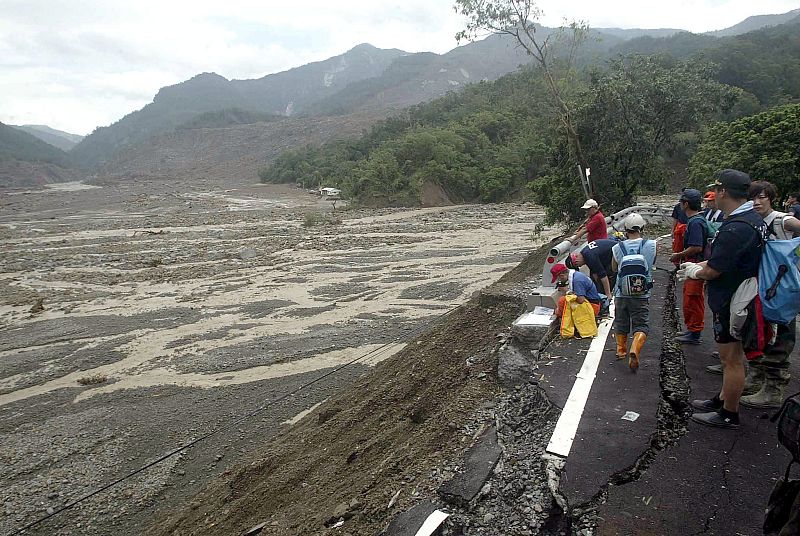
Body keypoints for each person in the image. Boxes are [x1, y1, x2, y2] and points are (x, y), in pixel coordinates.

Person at [679, 169, 767, 429]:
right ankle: (722, 398)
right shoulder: (752, 219)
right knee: (733, 357)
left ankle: (729, 412)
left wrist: (695, 270)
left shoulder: (736, 228)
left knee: (731, 360)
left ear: (723, 192)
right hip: (742, 292)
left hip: (732, 299)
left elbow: (715, 270)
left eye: (715, 191)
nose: (713, 197)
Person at [739, 181, 800, 408]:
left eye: (762, 197)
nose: (756, 202)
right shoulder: (755, 221)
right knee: (758, 333)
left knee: (780, 337)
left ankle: (773, 390)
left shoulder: (781, 220)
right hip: (762, 287)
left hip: (781, 288)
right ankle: (755, 378)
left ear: (771, 198)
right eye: (753, 198)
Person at [611, 213, 657, 371]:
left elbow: (614, 269)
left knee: (621, 322)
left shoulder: (617, 247)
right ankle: (635, 349)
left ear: (625, 229)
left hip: (621, 292)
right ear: (642, 227)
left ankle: (621, 350)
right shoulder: (651, 245)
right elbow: (651, 265)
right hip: (641, 293)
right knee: (641, 324)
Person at [669, 189, 707, 345]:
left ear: (686, 204)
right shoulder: (696, 220)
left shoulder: (696, 222)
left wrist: (678, 255)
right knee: (689, 299)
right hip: (692, 264)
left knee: (693, 299)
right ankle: (692, 329)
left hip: (695, 265)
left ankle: (695, 332)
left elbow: (697, 247)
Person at [565, 238, 617, 305]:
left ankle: (608, 299)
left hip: (615, 253)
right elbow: (594, 274)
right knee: (596, 280)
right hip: (606, 254)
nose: (581, 266)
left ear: (577, 262)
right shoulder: (584, 254)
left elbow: (603, 277)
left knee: (609, 276)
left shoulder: (590, 257)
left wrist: (608, 294)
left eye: (579, 266)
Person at [671, 189, 689, 266]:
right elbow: (675, 218)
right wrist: (673, 230)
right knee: (677, 248)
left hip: (688, 227)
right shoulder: (677, 207)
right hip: (679, 228)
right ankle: (677, 265)